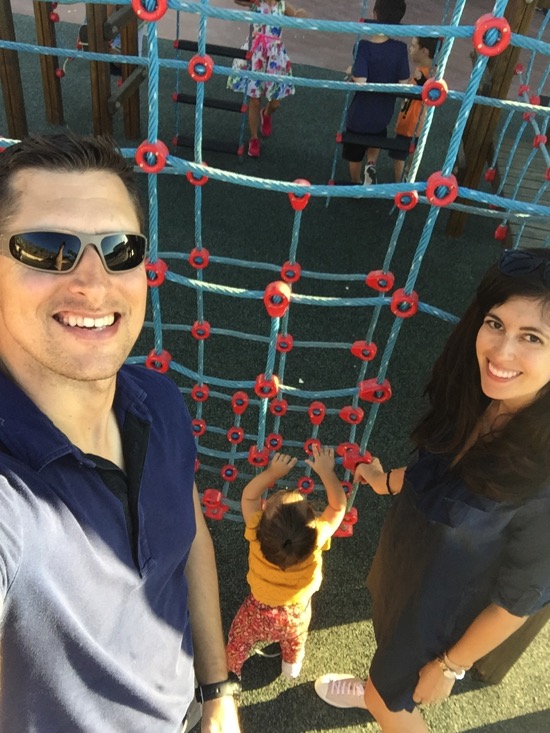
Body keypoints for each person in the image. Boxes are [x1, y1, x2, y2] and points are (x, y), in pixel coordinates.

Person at [0, 132, 241, 733]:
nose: (94, 280)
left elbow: (189, 539)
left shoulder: (156, 399)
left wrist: (216, 691)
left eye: (119, 249)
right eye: (47, 248)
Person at [314, 248, 550, 731]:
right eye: (495, 324)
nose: (501, 353)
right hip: (408, 570)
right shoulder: (475, 402)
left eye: (533, 337)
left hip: (442, 617)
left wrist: (450, 666)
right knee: (388, 665)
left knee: (392, 704)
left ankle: (380, 696)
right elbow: (436, 479)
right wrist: (383, 482)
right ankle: (379, 684)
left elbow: (517, 601)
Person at [226, 447, 347, 678]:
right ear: (312, 524)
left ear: (262, 521)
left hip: (257, 611)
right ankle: (291, 665)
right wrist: (326, 472)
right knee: (296, 639)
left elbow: (249, 496)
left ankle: (232, 669)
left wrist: (272, 473)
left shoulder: (254, 530)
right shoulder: (317, 539)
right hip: (296, 614)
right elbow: (338, 506)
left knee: (238, 639)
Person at [227, 0, 306, 158]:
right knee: (254, 99)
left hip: (275, 56)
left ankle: (267, 113)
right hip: (256, 52)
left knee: (276, 102)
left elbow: (295, 15)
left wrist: (299, 15)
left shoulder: (282, 5)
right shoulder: (256, 2)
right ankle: (254, 138)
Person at [343, 0, 409, 184]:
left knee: (354, 153)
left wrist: (351, 71)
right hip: (382, 116)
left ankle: (356, 182)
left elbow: (362, 81)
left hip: (359, 117)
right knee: (377, 137)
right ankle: (371, 163)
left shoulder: (363, 47)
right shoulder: (400, 49)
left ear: (374, 14)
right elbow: (404, 82)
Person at [389, 36, 438, 182]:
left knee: (399, 155)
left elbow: (429, 89)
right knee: (413, 151)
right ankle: (408, 176)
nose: (410, 49)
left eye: (413, 46)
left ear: (424, 51)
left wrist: (421, 81)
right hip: (415, 123)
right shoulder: (430, 70)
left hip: (411, 122)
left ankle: (400, 184)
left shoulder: (430, 74)